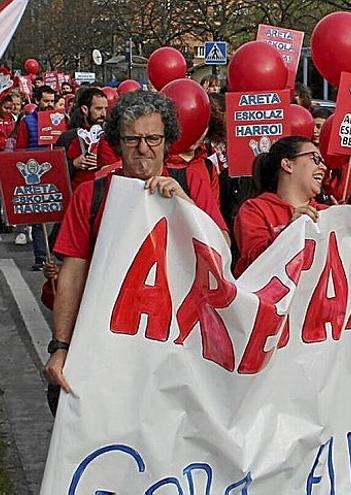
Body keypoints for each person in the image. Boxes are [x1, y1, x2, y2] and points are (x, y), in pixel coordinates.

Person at [43, 90, 228, 414]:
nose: (143, 148)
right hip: (107, 346)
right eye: (132, 139)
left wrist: (185, 205)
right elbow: (73, 273)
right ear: (117, 142)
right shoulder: (92, 194)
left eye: (153, 138)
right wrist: (61, 346)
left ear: (167, 140)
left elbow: (222, 253)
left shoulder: (191, 183)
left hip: (177, 349)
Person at [233, 136, 327, 276]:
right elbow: (253, 265)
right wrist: (290, 232)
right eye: (315, 159)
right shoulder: (255, 209)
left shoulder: (326, 212)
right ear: (288, 165)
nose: (323, 167)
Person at [15, 85, 58, 270]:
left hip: (56, 171)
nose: (49, 105)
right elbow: (20, 148)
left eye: (52, 101)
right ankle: (41, 256)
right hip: (35, 174)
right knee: (39, 217)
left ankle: (54, 249)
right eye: (45, 101)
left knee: (61, 215)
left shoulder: (61, 120)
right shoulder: (27, 122)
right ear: (37, 101)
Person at [56, 87, 120, 191]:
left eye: (105, 108)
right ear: (85, 109)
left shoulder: (113, 135)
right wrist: (74, 164)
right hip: (78, 197)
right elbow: (54, 171)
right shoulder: (68, 137)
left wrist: (103, 164)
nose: (103, 114)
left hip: (106, 195)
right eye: (98, 109)